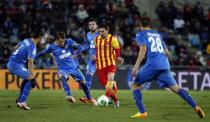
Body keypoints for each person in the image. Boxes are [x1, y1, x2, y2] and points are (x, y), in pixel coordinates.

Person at [130, 17, 205, 118]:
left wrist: (136, 66)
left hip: (153, 64)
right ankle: (195, 105)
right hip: (164, 64)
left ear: (140, 25)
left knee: (135, 85)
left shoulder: (141, 34)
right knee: (176, 88)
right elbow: (167, 52)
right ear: (150, 23)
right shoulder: (158, 34)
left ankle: (142, 112)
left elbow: (143, 49)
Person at [35, 32, 97, 106]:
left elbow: (79, 47)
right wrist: (33, 58)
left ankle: (89, 98)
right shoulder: (52, 47)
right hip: (63, 69)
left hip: (74, 67)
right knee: (61, 75)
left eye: (63, 41)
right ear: (56, 40)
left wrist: (75, 54)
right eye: (61, 41)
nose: (62, 43)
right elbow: (42, 53)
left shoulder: (69, 41)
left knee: (83, 83)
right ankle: (69, 95)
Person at [7, 29, 43, 110]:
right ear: (40, 38)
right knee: (30, 79)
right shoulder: (33, 47)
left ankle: (20, 99)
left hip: (12, 62)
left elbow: (16, 46)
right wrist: (33, 77)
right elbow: (30, 62)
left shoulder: (27, 40)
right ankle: (22, 102)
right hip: (15, 65)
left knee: (27, 78)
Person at [92, 23, 124, 107]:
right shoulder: (96, 39)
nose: (101, 33)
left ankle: (105, 97)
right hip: (100, 65)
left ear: (107, 30)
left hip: (110, 63)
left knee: (110, 80)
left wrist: (118, 58)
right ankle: (116, 100)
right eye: (100, 31)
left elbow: (117, 49)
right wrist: (94, 55)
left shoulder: (113, 39)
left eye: (103, 31)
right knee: (105, 84)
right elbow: (95, 50)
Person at [74, 18, 99, 103]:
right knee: (88, 75)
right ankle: (87, 96)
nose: (91, 26)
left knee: (107, 79)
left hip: (102, 59)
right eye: (90, 25)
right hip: (92, 60)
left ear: (97, 25)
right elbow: (87, 45)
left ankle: (113, 93)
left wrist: (97, 55)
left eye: (93, 24)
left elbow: (105, 46)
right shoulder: (88, 34)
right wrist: (77, 52)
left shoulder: (101, 34)